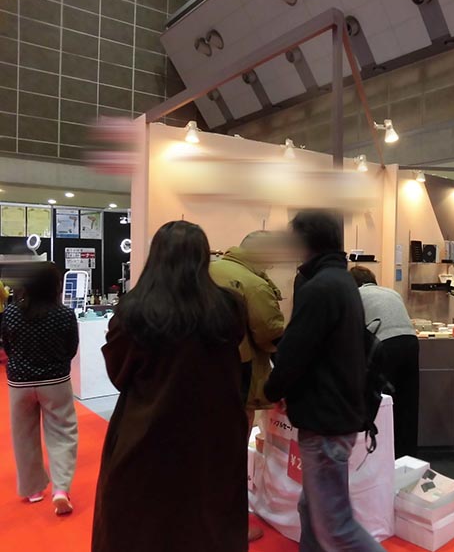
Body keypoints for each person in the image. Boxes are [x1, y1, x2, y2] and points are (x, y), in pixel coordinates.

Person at [92, 221, 248, 552]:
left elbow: (119, 374)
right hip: (214, 432)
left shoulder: (134, 310)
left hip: (147, 431)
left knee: (143, 522)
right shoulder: (229, 307)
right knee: (209, 518)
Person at [264, 210, 385, 552]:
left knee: (336, 527)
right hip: (336, 410)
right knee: (313, 508)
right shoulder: (341, 281)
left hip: (325, 416)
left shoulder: (319, 288)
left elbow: (295, 351)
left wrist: (273, 389)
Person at [210, 230, 286, 543]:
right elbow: (270, 332)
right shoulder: (253, 284)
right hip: (238, 375)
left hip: (203, 375)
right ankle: (231, 526)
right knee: (231, 455)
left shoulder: (210, 269)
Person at [2, 263, 79, 515]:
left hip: (20, 382)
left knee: (23, 436)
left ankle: (33, 490)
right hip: (56, 381)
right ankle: (61, 489)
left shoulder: (11, 313)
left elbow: (7, 346)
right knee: (62, 433)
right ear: (55, 285)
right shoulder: (64, 314)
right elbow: (71, 348)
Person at [350, 265, 419, 459]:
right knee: (408, 401)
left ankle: (383, 453)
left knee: (381, 400)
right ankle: (408, 455)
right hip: (411, 341)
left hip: (385, 344)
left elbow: (357, 331)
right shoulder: (392, 292)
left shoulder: (356, 295)